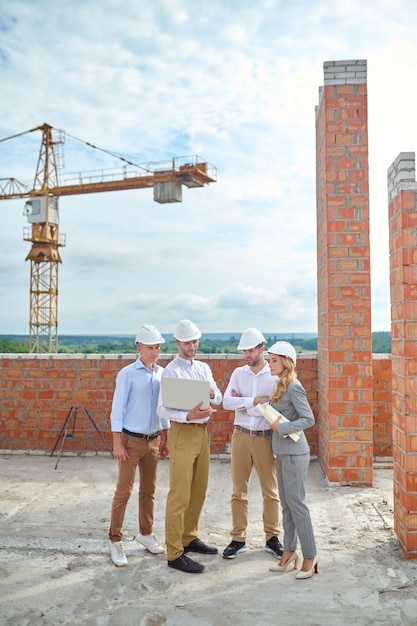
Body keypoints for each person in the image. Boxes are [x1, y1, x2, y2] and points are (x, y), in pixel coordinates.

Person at [157, 319, 222, 574]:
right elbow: (162, 408)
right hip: (183, 433)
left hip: (202, 433)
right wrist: (188, 416)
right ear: (177, 343)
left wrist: (214, 395)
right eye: (187, 342)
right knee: (179, 493)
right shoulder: (170, 371)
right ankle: (174, 553)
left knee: (198, 489)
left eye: (194, 341)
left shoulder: (204, 368)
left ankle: (189, 537)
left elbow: (219, 395)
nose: (192, 346)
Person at [108, 325, 169, 567]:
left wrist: (165, 438)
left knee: (149, 491)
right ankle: (115, 540)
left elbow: (162, 410)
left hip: (153, 440)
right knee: (123, 492)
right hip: (130, 441)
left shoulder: (162, 373)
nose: (154, 352)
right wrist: (117, 443)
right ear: (139, 347)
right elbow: (116, 410)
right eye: (150, 347)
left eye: (157, 347)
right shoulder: (128, 374)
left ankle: (145, 533)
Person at [222, 328, 283, 560]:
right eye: (244, 350)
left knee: (271, 491)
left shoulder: (274, 375)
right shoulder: (238, 373)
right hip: (240, 436)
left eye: (250, 349)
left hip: (265, 438)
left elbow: (274, 408)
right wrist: (255, 401)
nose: (246, 354)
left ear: (261, 348)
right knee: (239, 490)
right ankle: (238, 539)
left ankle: (272, 537)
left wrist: (244, 404)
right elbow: (228, 401)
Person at [266, 341, 318, 579]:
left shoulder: (294, 387)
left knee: (297, 504)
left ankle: (310, 555)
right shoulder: (280, 385)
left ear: (287, 362)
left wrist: (282, 427)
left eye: (274, 360)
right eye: (269, 360)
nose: (270, 364)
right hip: (283, 452)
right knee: (286, 505)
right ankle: (288, 552)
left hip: (296, 453)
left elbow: (309, 419)